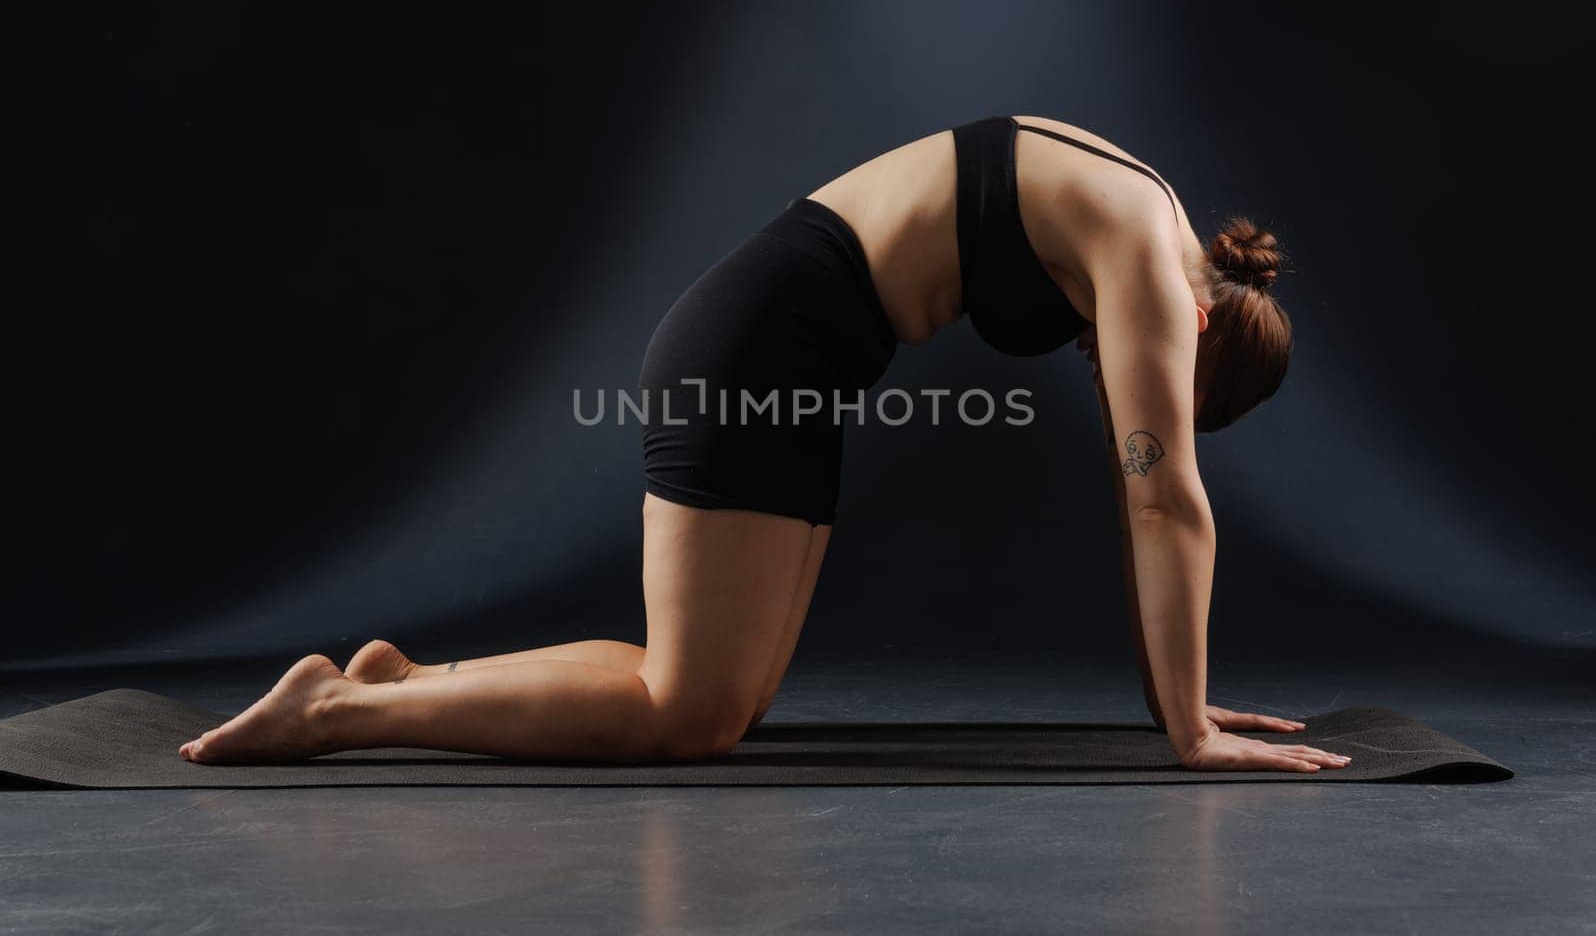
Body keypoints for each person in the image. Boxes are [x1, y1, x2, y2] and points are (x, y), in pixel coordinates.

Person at [179, 114, 1352, 774]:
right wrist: (1195, 733)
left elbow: (1138, 489)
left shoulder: (1139, 207)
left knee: (710, 700)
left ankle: (407, 681)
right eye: (1146, 383)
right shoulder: (1151, 259)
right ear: (1202, 328)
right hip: (752, 348)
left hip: (800, 365)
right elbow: (1166, 501)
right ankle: (332, 711)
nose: (1117, 383)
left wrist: (1176, 707)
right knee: (681, 711)